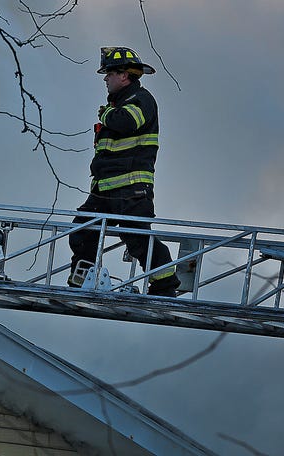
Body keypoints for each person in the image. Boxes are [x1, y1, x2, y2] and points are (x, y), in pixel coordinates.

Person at [68, 47, 180, 297]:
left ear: (124, 75)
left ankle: (164, 287)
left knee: (137, 238)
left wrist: (107, 114)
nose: (105, 79)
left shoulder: (141, 99)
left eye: (109, 73)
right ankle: (81, 281)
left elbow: (127, 122)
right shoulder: (117, 105)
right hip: (104, 190)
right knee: (83, 231)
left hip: (132, 189)